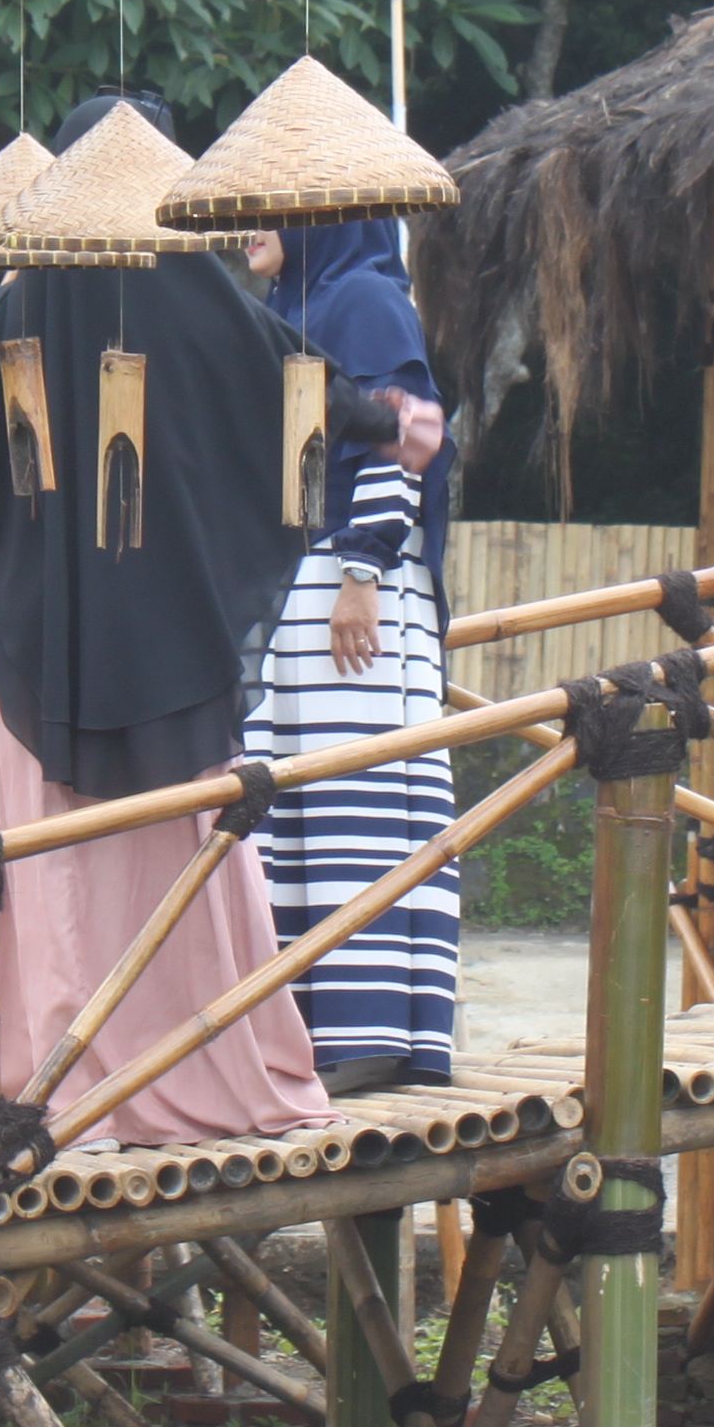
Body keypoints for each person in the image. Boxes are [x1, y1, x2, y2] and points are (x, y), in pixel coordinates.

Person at [0, 94, 335, 1147]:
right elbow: (303, 404)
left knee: (54, 876)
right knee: (183, 866)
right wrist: (396, 423)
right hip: (179, 651)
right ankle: (207, 1065)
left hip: (34, 648)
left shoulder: (20, 304)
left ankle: (63, 1086)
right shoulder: (202, 296)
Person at [242, 217, 459, 1092]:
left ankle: (371, 1031)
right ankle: (316, 1031)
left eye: (271, 209)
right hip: (310, 576)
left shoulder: (362, 299)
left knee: (351, 792)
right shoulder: (295, 302)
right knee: (297, 797)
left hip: (351, 582)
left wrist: (364, 570)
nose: (249, 228)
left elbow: (402, 436)